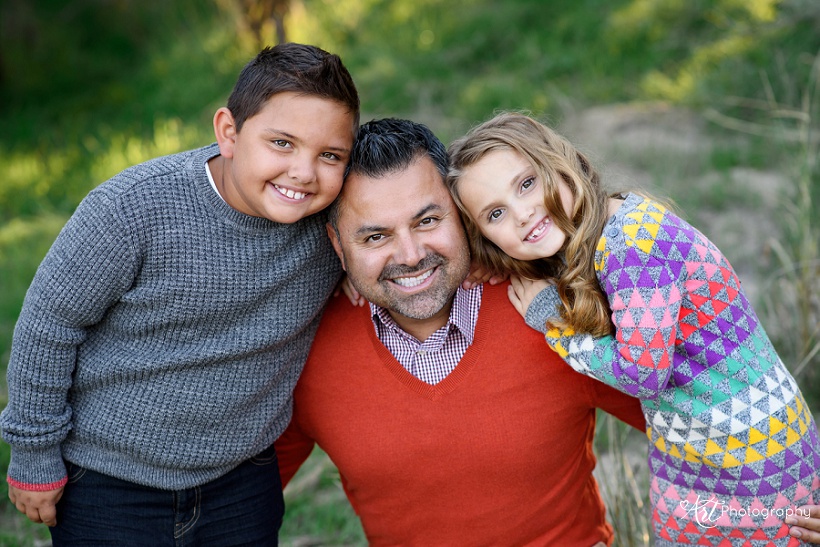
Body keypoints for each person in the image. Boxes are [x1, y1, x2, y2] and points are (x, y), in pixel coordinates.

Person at [0, 43, 359, 545]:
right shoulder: (132, 209)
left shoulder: (336, 224)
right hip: (108, 482)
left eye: (330, 155)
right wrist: (34, 453)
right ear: (229, 132)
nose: (303, 172)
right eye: (282, 143)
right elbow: (49, 325)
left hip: (242, 480)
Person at [446, 111, 820, 545]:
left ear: (559, 164)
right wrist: (487, 267)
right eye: (495, 214)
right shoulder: (596, 235)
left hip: (754, 461)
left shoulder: (634, 243)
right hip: (696, 455)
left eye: (527, 183)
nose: (522, 213)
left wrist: (555, 323)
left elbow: (643, 373)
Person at [274, 117, 649, 546]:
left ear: (462, 215)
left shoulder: (552, 313)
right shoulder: (306, 350)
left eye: (427, 221)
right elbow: (242, 494)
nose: (410, 255)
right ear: (338, 246)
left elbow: (692, 412)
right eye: (376, 237)